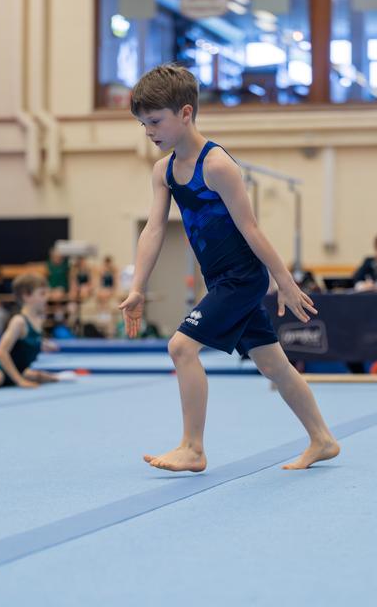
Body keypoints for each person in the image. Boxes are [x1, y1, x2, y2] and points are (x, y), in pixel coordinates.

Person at [119, 64, 340, 473]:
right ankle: (323, 439)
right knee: (273, 363)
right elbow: (152, 229)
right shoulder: (163, 171)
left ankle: (193, 447)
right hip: (220, 279)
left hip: (243, 278)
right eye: (143, 123)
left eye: (155, 121)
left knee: (181, 346)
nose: (149, 131)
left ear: (186, 113)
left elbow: (251, 228)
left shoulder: (216, 165)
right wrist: (138, 286)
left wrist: (285, 281)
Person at [0, 273, 75, 392]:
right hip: (0, 367)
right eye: (42, 294)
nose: (46, 297)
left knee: (38, 376)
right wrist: (19, 381)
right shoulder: (19, 321)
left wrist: (43, 345)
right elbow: (2, 351)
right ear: (26, 296)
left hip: (20, 369)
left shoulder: (39, 319)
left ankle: (57, 377)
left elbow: (27, 341)